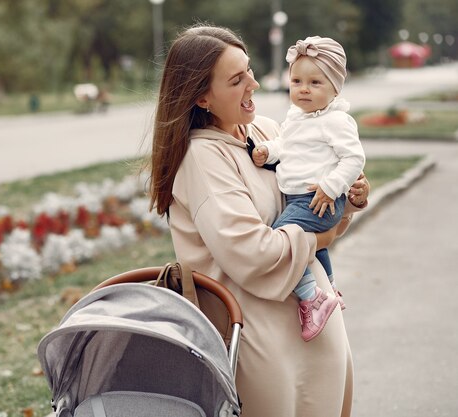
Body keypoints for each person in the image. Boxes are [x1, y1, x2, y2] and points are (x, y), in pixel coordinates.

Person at [147, 24, 369, 417]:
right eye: (236, 79)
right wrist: (321, 239)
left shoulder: (267, 131)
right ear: (201, 97)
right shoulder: (201, 160)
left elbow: (304, 200)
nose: (254, 84)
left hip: (313, 327)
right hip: (260, 338)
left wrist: (347, 198)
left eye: (249, 70)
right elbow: (252, 252)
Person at [250, 36, 366, 342]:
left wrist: (331, 187)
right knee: (319, 249)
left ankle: (312, 298)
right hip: (301, 198)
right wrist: (268, 151)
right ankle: (329, 287)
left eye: (315, 82)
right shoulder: (296, 118)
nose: (303, 88)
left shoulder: (336, 120)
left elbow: (354, 158)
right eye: (297, 80)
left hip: (319, 200)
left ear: (335, 88)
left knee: (282, 238)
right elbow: (287, 146)